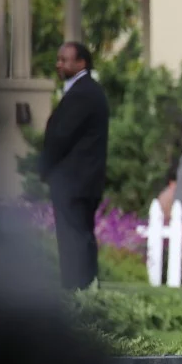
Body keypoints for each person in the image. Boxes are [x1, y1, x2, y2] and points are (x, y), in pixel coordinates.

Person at [38, 42, 110, 289]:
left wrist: (45, 168)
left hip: (75, 182)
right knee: (80, 237)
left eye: (64, 60)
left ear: (81, 63)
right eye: (58, 59)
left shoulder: (83, 93)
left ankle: (77, 289)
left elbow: (61, 136)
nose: (59, 64)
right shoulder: (86, 91)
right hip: (82, 182)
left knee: (74, 240)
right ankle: (85, 289)